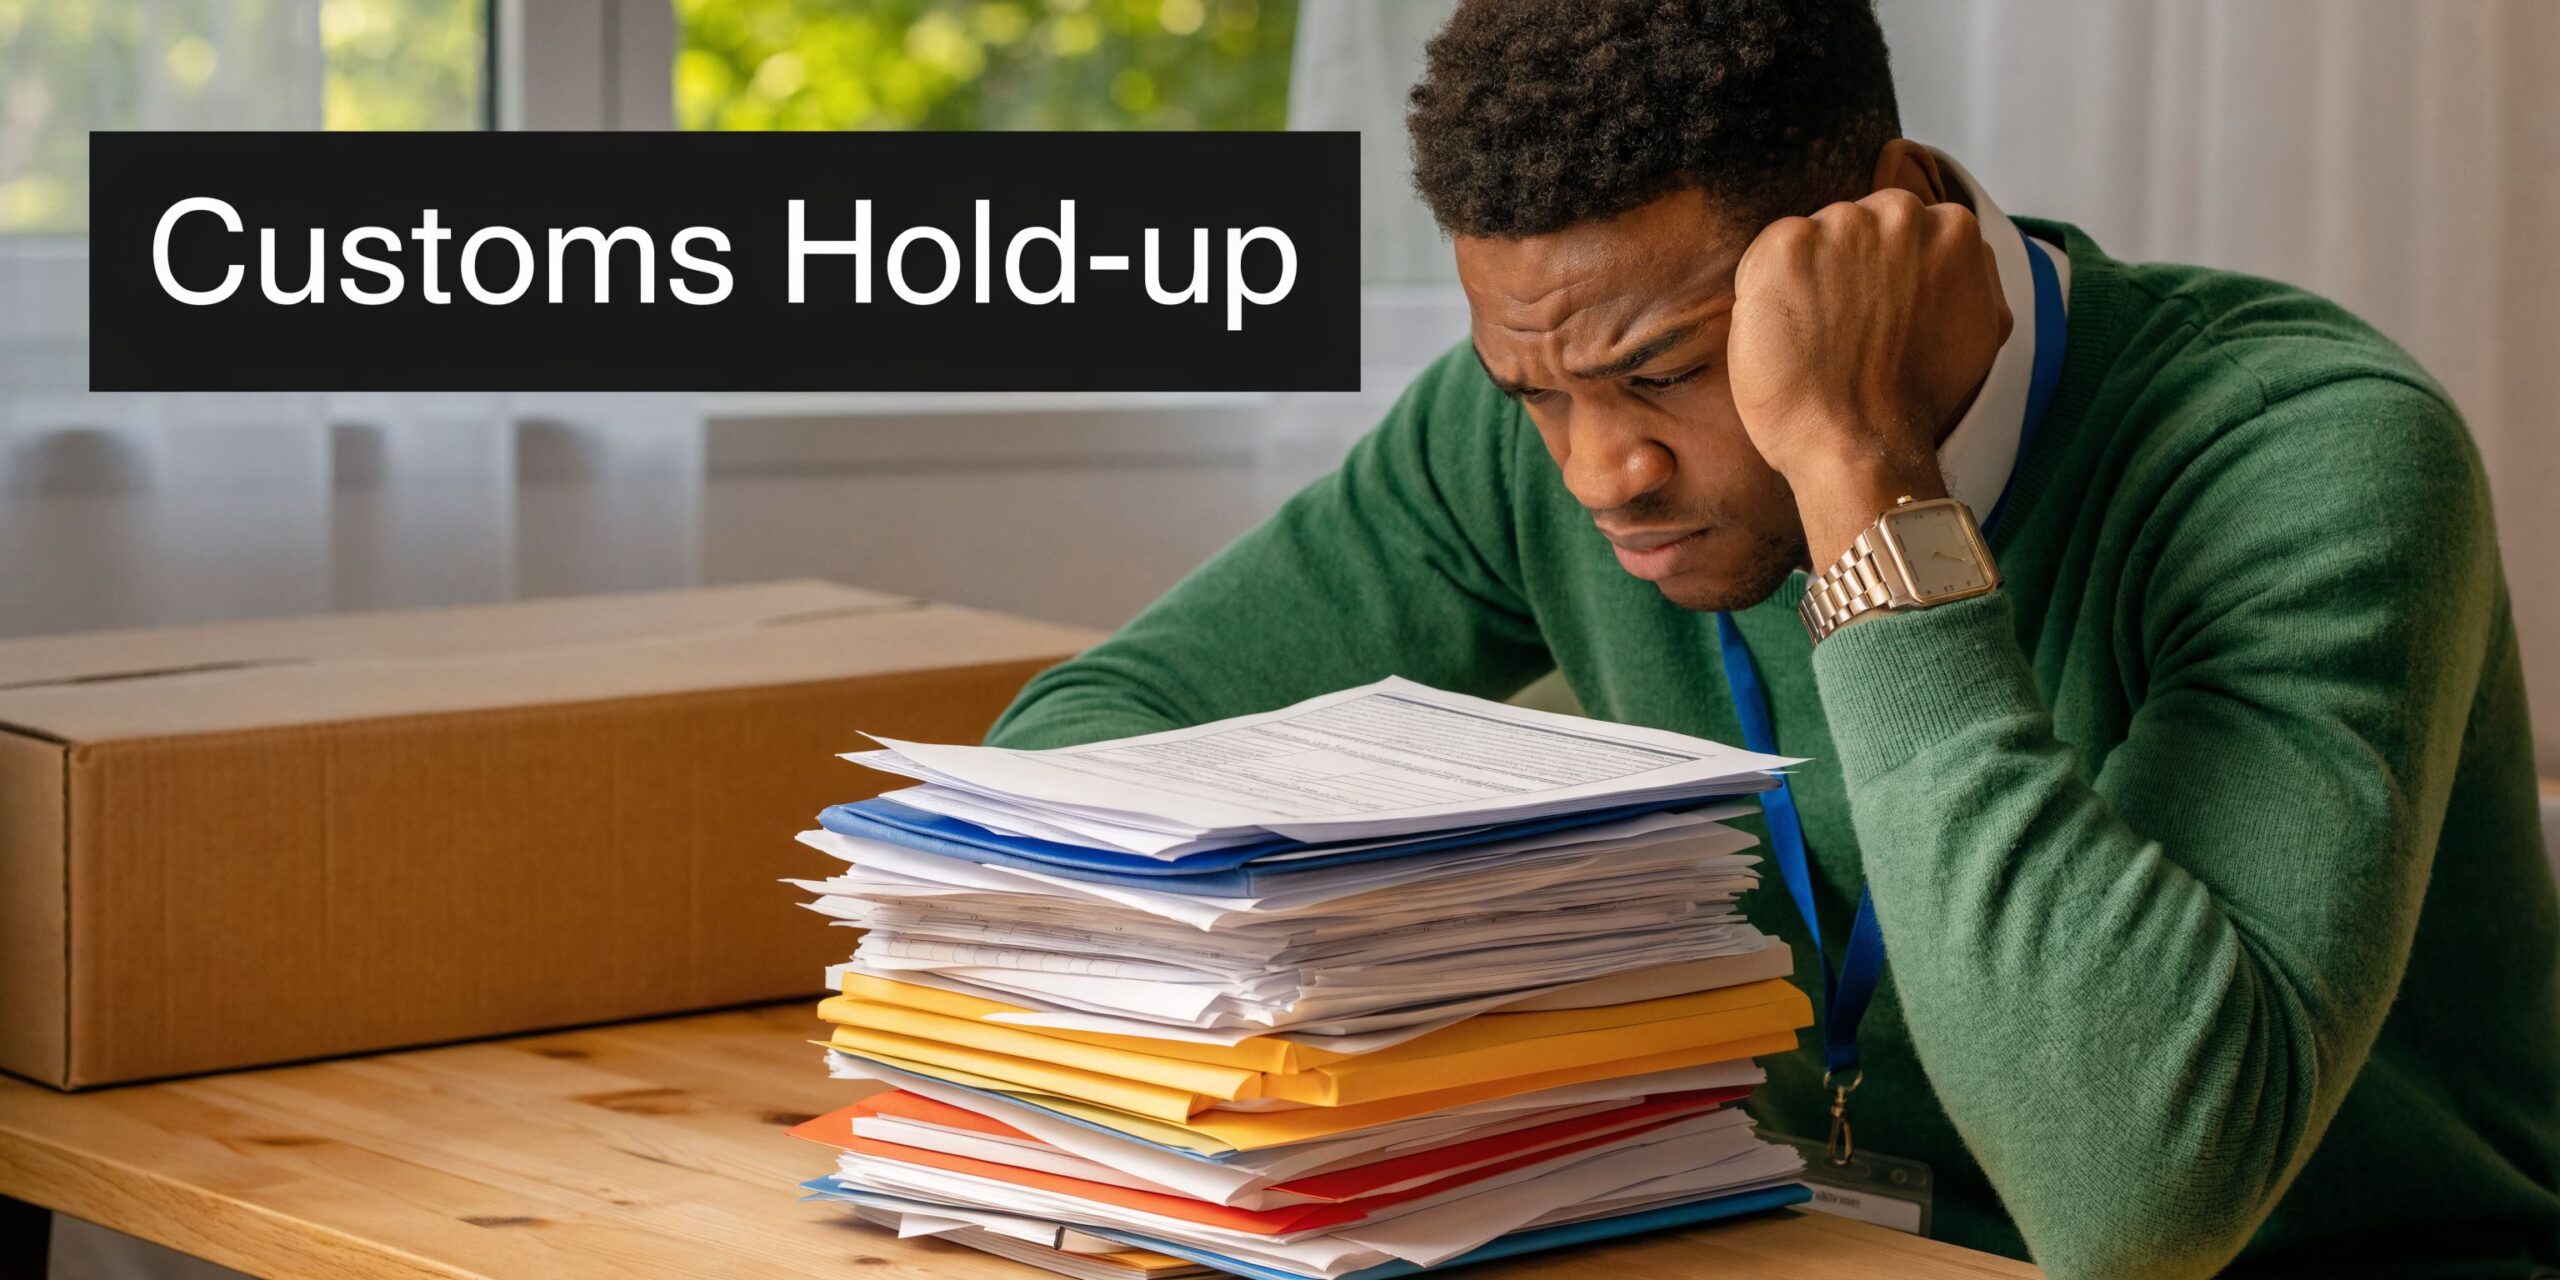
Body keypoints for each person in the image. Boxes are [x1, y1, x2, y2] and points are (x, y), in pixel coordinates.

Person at [984, 1, 2560, 1275]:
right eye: (1541, 393)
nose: (1603, 472)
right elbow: (1077, 749)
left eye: (1670, 370)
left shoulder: (2309, 454)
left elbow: (2135, 1206)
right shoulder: (1525, 417)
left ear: (1877, 233)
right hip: (1769, 1242)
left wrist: (1865, 481)